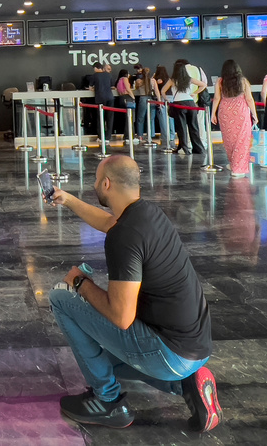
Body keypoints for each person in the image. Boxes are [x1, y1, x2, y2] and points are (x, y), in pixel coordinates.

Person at [47, 156, 222, 431]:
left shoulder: (124, 236)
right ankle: (186, 383)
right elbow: (109, 223)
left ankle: (107, 402)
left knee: (61, 298)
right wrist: (67, 200)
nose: (94, 184)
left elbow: (121, 316)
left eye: (95, 180)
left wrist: (80, 283)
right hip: (195, 347)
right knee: (105, 363)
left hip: (171, 353)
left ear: (106, 183)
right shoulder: (146, 213)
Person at [211, 60, 258, 177]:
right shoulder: (243, 81)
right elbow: (249, 99)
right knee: (242, 140)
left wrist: (213, 113)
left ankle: (233, 163)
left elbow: (216, 98)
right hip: (241, 112)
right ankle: (238, 168)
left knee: (229, 140)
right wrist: (254, 114)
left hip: (225, 112)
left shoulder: (220, 81)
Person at [161, 62, 206, 154]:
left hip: (179, 104)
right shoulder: (189, 79)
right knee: (194, 127)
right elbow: (203, 85)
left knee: (181, 128)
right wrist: (195, 93)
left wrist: (167, 99)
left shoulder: (172, 80)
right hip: (190, 103)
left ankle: (185, 149)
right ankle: (198, 148)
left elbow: (163, 91)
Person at [91, 61, 115, 141]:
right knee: (109, 118)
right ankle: (108, 137)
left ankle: (101, 136)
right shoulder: (108, 75)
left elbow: (91, 87)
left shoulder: (94, 75)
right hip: (110, 97)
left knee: (100, 118)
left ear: (96, 68)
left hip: (100, 98)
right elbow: (112, 86)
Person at [151, 65, 172, 148]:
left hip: (164, 98)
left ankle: (165, 136)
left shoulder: (158, 79)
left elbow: (155, 88)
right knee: (171, 119)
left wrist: (153, 76)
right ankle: (172, 135)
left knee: (163, 119)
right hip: (172, 98)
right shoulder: (168, 78)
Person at [131, 64, 151, 143]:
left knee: (140, 118)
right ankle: (150, 135)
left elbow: (136, 88)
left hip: (142, 98)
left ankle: (140, 136)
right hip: (151, 99)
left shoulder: (138, 81)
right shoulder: (152, 80)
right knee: (150, 119)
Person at [114, 68, 133, 140]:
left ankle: (126, 135)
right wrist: (133, 97)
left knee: (125, 118)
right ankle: (128, 136)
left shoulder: (119, 80)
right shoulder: (125, 79)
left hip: (121, 98)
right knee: (129, 118)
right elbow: (128, 89)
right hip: (127, 97)